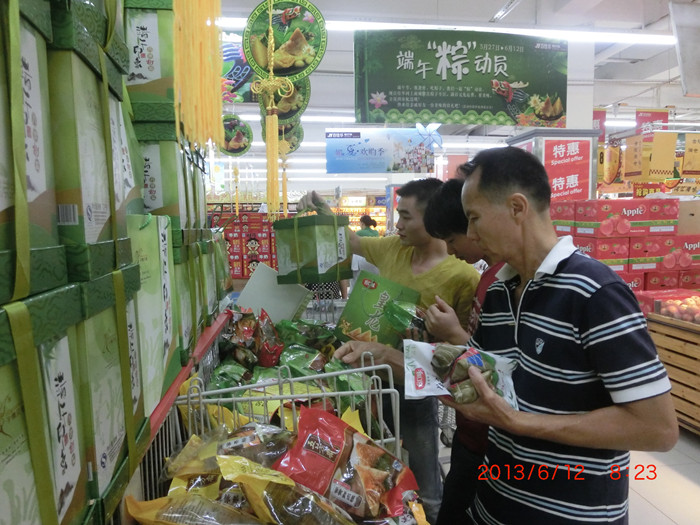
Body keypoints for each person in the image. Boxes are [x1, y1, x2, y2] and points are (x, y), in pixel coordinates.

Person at [440, 146, 678, 524]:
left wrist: (520, 422)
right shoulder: (498, 291)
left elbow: (658, 429)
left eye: (474, 218)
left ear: (517, 208)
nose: (470, 234)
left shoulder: (594, 292)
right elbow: (479, 374)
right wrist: (400, 360)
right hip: (492, 506)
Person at [300, 180, 481, 523]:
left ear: (432, 219)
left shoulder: (463, 275)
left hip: (417, 389)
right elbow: (354, 241)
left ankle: (430, 514)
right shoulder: (392, 249)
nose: (397, 224)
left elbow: (464, 349)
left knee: (424, 469)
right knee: (370, 463)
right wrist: (326, 212)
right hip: (370, 381)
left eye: (406, 217)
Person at [422, 176, 504, 524]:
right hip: (471, 430)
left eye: (452, 239)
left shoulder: (504, 282)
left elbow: (499, 369)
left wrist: (454, 334)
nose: (452, 249)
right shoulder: (490, 277)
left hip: (491, 436)